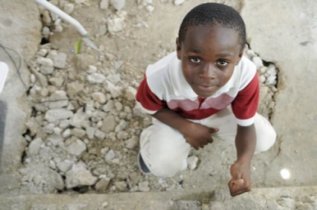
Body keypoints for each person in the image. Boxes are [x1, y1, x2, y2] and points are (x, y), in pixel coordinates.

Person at [135, 3, 276, 196]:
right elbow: (151, 108)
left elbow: (245, 125)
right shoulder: (159, 77)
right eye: (195, 59)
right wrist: (188, 128)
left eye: (222, 62)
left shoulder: (246, 75)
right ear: (179, 48)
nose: (207, 74)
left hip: (218, 113)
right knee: (163, 167)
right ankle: (148, 140)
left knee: (265, 137)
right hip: (175, 117)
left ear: (239, 56)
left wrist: (243, 161)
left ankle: (210, 132)